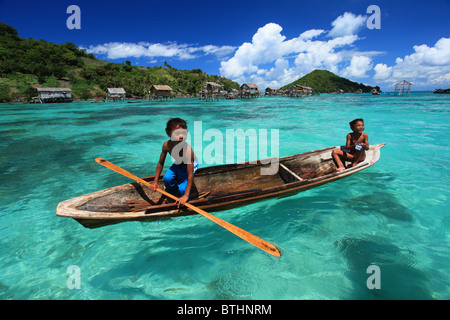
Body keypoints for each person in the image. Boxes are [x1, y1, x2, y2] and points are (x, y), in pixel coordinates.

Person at [150, 118, 198, 207]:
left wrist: (186, 195)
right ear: (168, 133)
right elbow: (160, 163)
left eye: (183, 133)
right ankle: (172, 194)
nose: (181, 136)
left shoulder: (187, 150)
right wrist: (155, 181)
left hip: (191, 164)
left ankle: (185, 198)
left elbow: (190, 174)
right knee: (167, 179)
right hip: (178, 163)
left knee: (183, 190)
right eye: (177, 133)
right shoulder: (166, 145)